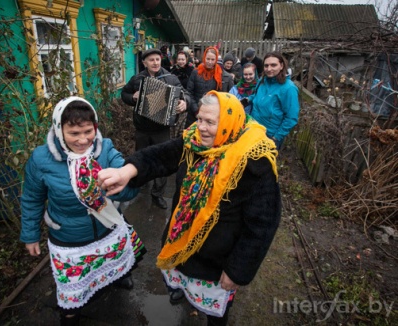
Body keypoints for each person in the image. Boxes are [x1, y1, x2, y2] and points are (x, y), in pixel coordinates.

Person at [98, 90, 281, 326]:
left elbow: (262, 225)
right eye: (200, 119)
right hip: (182, 244)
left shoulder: (255, 161)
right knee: (183, 285)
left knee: (216, 314)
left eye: (210, 122)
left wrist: (238, 271)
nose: (201, 127)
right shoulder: (195, 141)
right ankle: (182, 292)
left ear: (229, 123)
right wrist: (126, 171)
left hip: (216, 262)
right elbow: (160, 156)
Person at [20, 97, 144, 326]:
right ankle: (70, 314)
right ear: (59, 129)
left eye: (88, 131)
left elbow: (129, 190)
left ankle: (117, 277)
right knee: (72, 288)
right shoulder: (41, 159)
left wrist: (120, 184)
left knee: (113, 263)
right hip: (69, 237)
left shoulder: (104, 148)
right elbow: (32, 198)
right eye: (74, 133)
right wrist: (30, 235)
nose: (83, 140)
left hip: (108, 227)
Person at [121, 48, 189, 210]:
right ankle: (141, 184)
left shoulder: (170, 78)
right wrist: (133, 97)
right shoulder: (137, 79)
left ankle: (157, 194)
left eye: (157, 59)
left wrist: (183, 103)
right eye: (151, 60)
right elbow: (124, 94)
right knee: (141, 157)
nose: (155, 63)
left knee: (162, 160)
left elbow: (184, 94)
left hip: (161, 129)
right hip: (142, 129)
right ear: (144, 63)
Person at [245, 52, 300, 150]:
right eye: (266, 66)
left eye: (273, 65)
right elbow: (256, 95)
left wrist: (276, 137)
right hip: (253, 130)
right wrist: (247, 100)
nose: (269, 69)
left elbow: (291, 117)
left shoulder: (289, 88)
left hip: (269, 136)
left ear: (281, 66)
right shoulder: (262, 81)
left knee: (261, 164)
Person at [186, 46, 234, 127]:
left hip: (210, 114)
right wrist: (196, 110)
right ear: (204, 58)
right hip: (194, 114)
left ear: (216, 60)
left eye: (212, 60)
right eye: (208, 59)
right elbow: (189, 92)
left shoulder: (219, 75)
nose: (210, 62)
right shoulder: (195, 72)